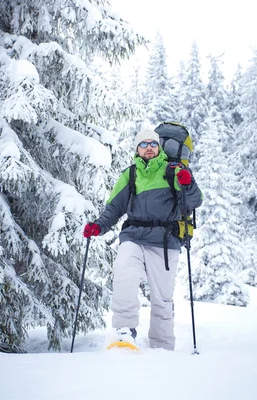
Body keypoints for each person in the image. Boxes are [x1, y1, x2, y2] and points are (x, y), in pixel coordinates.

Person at [83, 128, 203, 351]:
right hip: (133, 237)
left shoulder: (173, 171)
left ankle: (163, 345)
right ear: (137, 149)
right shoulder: (130, 175)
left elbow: (193, 202)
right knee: (124, 274)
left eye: (153, 144)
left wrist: (187, 184)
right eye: (143, 144)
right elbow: (114, 208)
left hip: (165, 241)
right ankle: (124, 332)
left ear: (159, 148)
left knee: (162, 298)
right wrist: (98, 226)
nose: (149, 148)